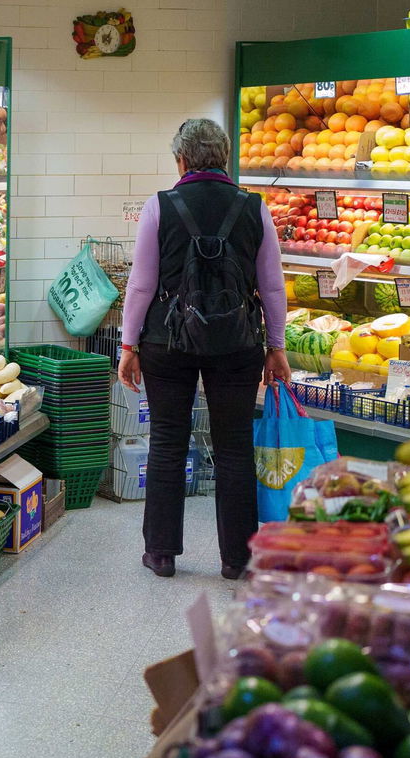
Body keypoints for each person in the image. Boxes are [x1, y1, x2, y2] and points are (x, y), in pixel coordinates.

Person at [117, 118, 289, 580]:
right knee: (234, 447)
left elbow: (141, 285)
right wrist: (277, 346)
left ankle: (161, 553)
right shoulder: (255, 208)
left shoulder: (160, 206)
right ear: (225, 158)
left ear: (181, 160)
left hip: (166, 340)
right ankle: (237, 559)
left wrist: (128, 343)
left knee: (168, 442)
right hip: (238, 343)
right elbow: (272, 288)